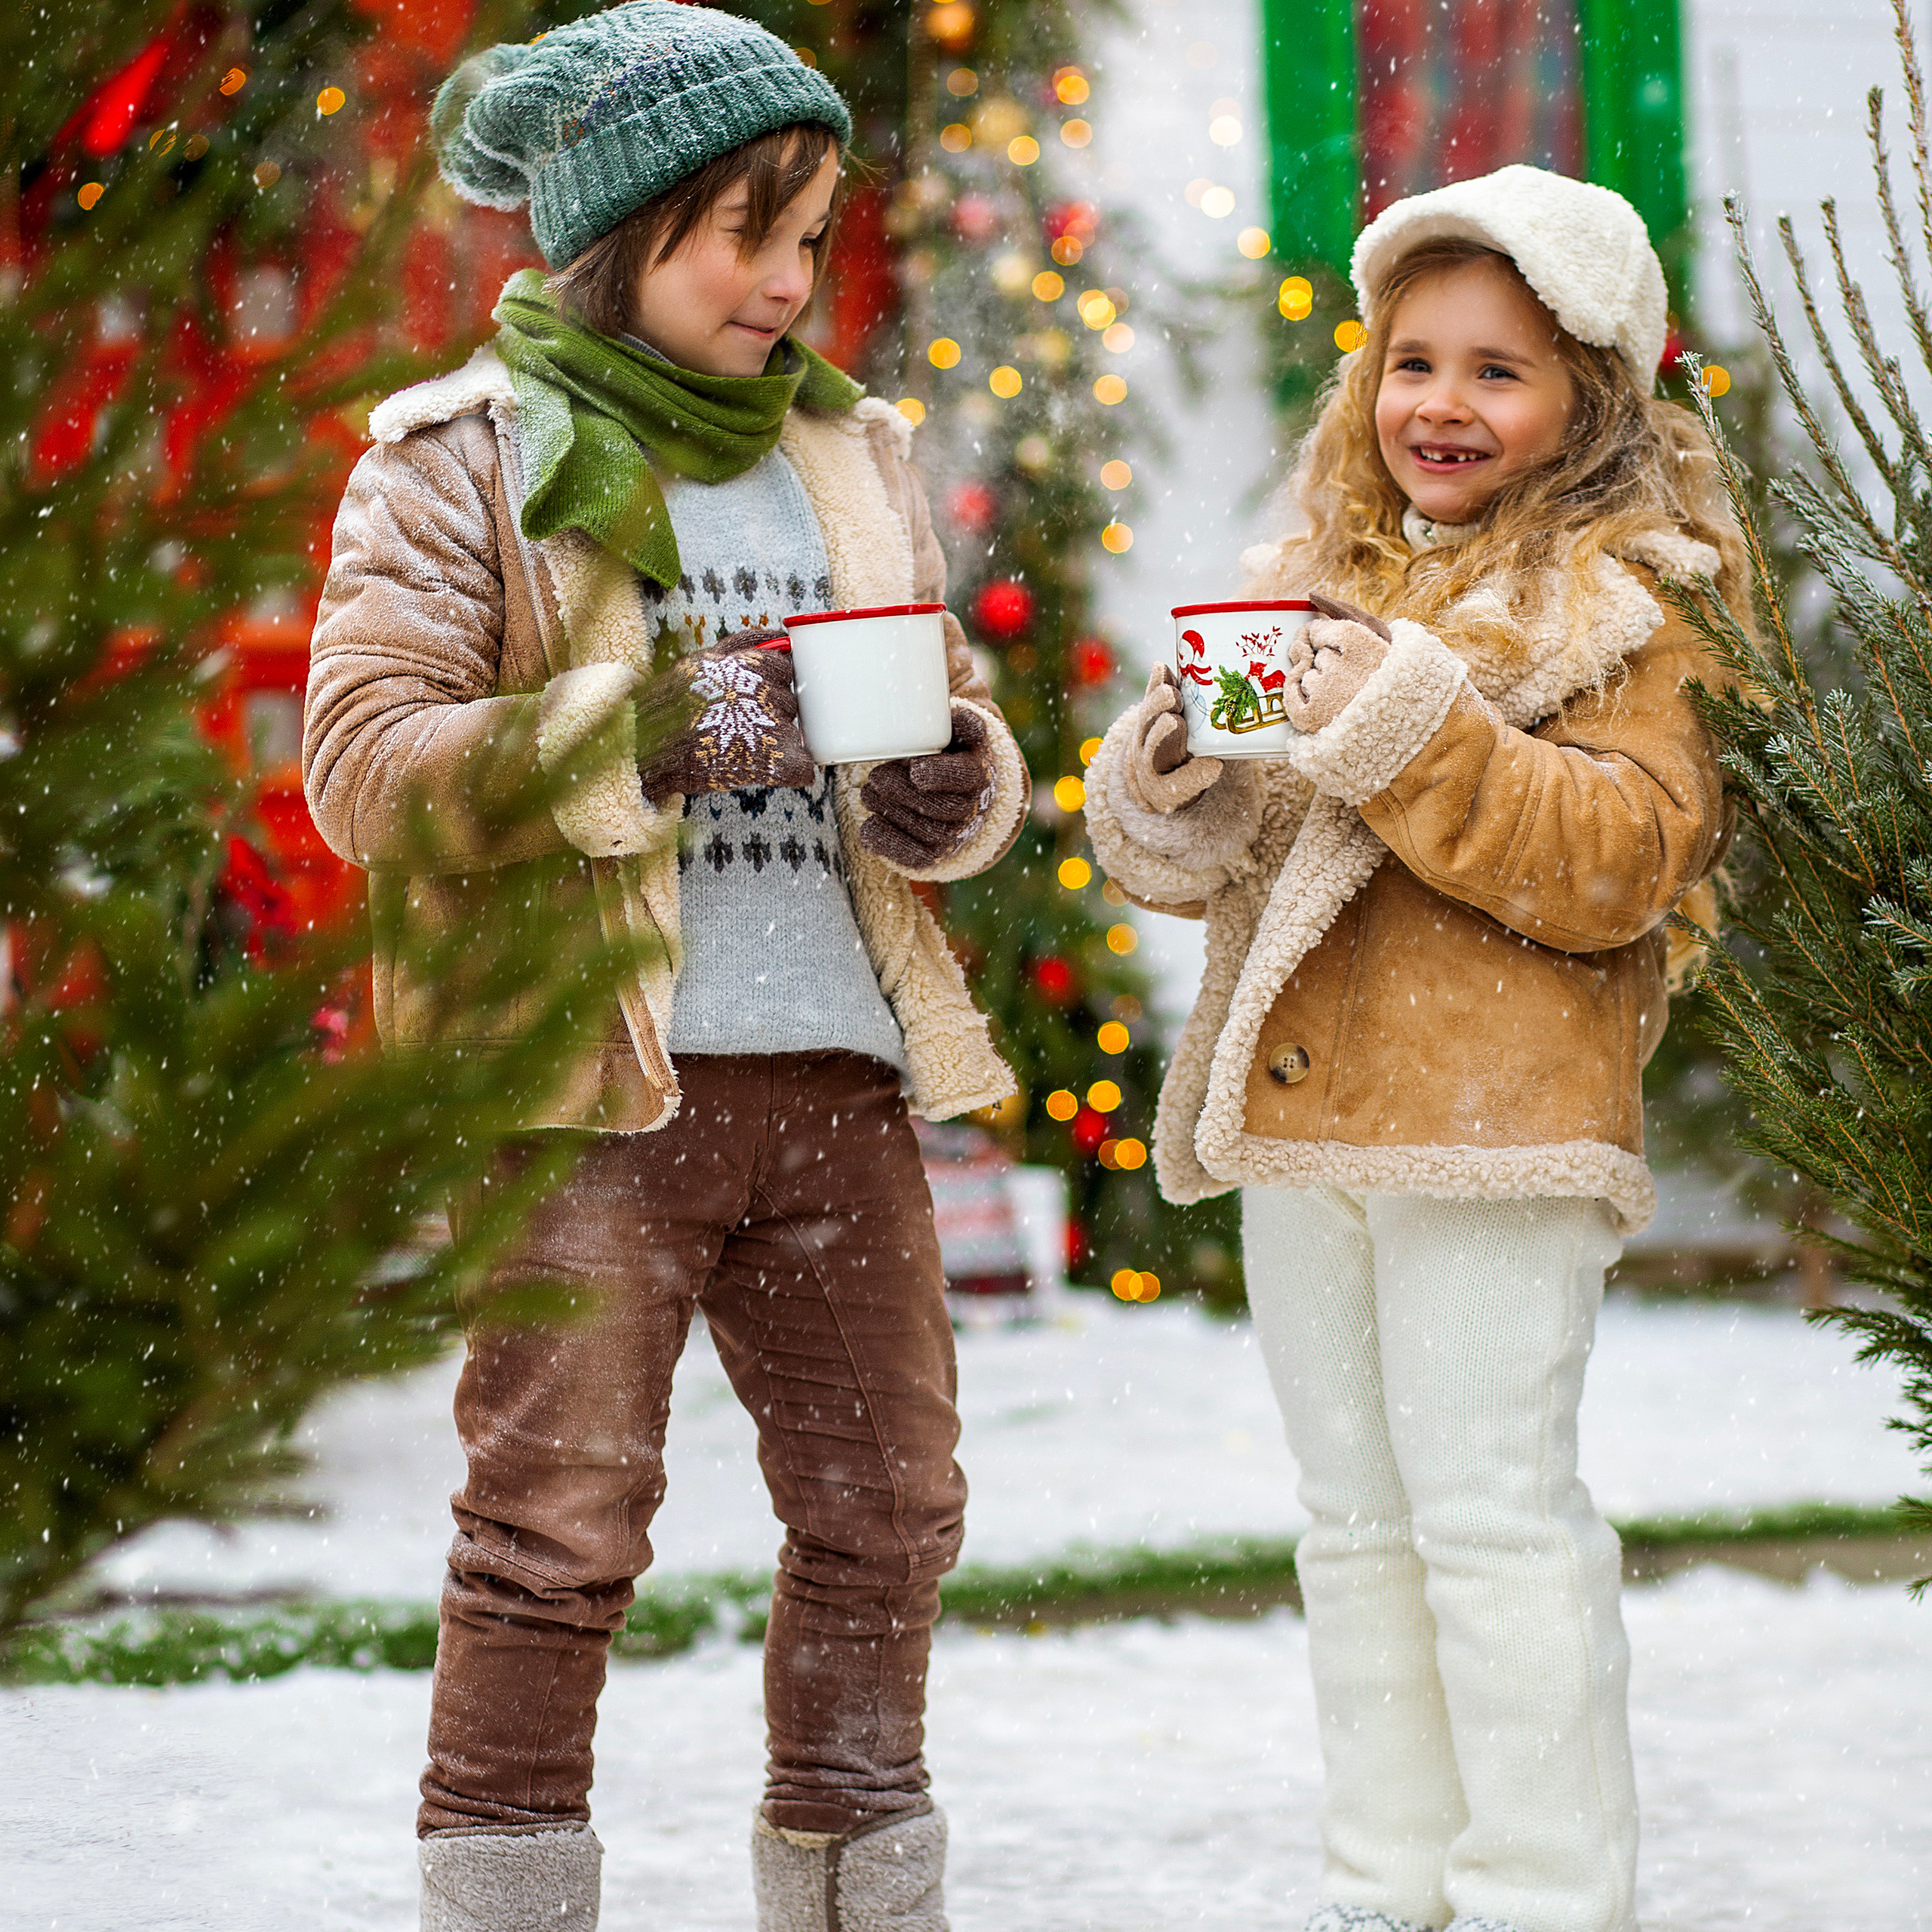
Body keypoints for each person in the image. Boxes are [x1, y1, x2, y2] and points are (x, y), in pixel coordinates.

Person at [303, 8, 1029, 1928]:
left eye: (811, 239)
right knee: (554, 1532)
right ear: (618, 232)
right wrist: (654, 725)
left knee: (889, 1518)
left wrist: (959, 784)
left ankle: (860, 1894)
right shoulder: (455, 463)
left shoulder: (846, 448)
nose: (792, 284)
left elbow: (939, 709)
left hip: (838, 1076)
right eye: (745, 238)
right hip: (586, 1093)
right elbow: (363, 765)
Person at [1084, 165, 1748, 1932]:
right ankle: (1385, 1885)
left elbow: (1609, 860)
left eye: (1496, 370)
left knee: (1490, 1522)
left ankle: (1544, 1893)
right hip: (1310, 1121)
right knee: (1353, 1529)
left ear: (1589, 399)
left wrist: (1387, 712)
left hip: (1494, 1127)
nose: (1437, 404)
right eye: (1411, 361)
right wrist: (1177, 767)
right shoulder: (1322, 580)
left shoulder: (1634, 605)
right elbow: (1213, 870)